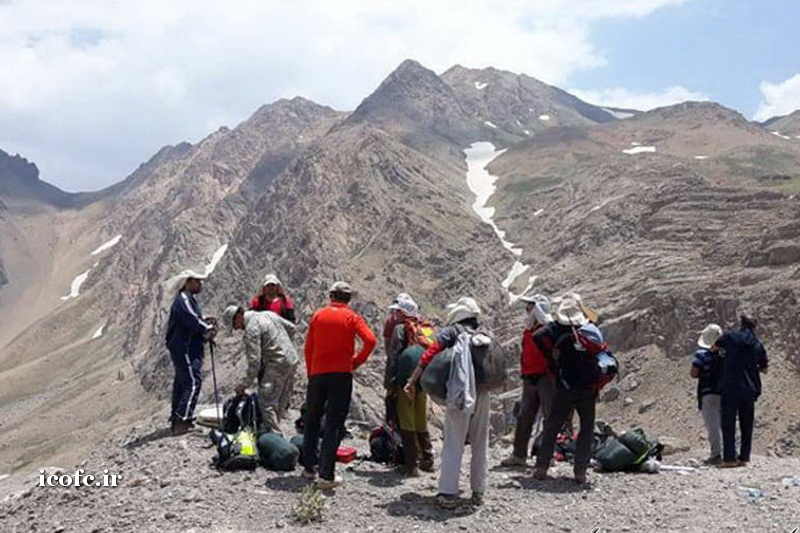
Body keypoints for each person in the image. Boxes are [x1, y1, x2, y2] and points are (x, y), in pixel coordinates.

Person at [404, 297, 489, 509]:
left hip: (459, 391)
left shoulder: (451, 332)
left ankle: (448, 493)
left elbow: (430, 353)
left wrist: (412, 380)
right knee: (480, 442)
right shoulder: (484, 333)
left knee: (454, 441)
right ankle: (478, 491)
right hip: (484, 393)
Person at [303, 281, 377, 489]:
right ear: (348, 298)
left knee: (312, 419)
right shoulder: (352, 317)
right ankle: (326, 475)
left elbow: (309, 347)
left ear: (331, 296)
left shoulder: (318, 315)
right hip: (341, 375)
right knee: (333, 424)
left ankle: (309, 467)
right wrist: (356, 362)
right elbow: (370, 340)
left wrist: (311, 371)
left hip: (317, 374)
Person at [531, 294, 601, 484]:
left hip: (565, 385)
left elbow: (537, 336)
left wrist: (551, 356)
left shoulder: (556, 328)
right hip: (588, 386)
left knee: (553, 425)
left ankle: (541, 467)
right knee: (586, 427)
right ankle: (580, 472)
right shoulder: (588, 328)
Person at [221, 305, 299, 434]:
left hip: (277, 363)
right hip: (292, 360)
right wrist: (285, 345)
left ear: (238, 316)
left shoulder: (251, 329)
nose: (237, 329)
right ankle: (277, 435)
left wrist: (244, 385)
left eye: (235, 325)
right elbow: (292, 328)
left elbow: (254, 362)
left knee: (266, 401)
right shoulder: (268, 314)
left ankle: (275, 437)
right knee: (279, 400)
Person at [501, 294, 554, 467]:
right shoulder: (530, 329)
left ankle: (547, 456)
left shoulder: (549, 329)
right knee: (524, 417)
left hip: (546, 378)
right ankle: (519, 454)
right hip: (530, 378)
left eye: (530, 306)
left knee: (549, 417)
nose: (527, 310)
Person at [386, 294, 434, 476]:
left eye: (397, 311)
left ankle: (411, 465)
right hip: (423, 380)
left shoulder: (400, 329)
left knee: (407, 421)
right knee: (420, 419)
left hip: (406, 380)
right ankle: (427, 459)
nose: (394, 315)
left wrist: (390, 383)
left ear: (403, 312)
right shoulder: (426, 329)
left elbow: (394, 357)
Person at [164, 270, 216, 435]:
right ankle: (183, 420)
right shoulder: (184, 300)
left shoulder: (187, 300)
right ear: (187, 283)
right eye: (196, 281)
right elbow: (193, 320)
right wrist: (209, 328)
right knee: (193, 382)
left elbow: (193, 318)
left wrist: (204, 319)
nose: (200, 284)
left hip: (186, 347)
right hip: (185, 347)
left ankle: (177, 416)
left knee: (182, 381)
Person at [712, 314, 768, 468]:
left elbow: (714, 348)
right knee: (747, 424)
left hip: (730, 386)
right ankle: (744, 457)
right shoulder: (758, 344)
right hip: (749, 388)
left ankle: (729, 458)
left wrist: (724, 358)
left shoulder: (730, 337)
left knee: (728, 423)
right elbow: (765, 368)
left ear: (741, 324)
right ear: (754, 326)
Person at [691, 324, 724, 464]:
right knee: (725, 424)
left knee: (713, 426)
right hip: (724, 393)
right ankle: (730, 452)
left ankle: (716, 454)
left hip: (708, 394)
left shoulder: (701, 354)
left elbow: (694, 373)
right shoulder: (725, 355)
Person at [383, 293, 411, 425]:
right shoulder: (421, 325)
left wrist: (389, 380)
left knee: (393, 408)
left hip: (398, 374)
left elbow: (390, 351)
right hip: (417, 375)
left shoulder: (392, 324)